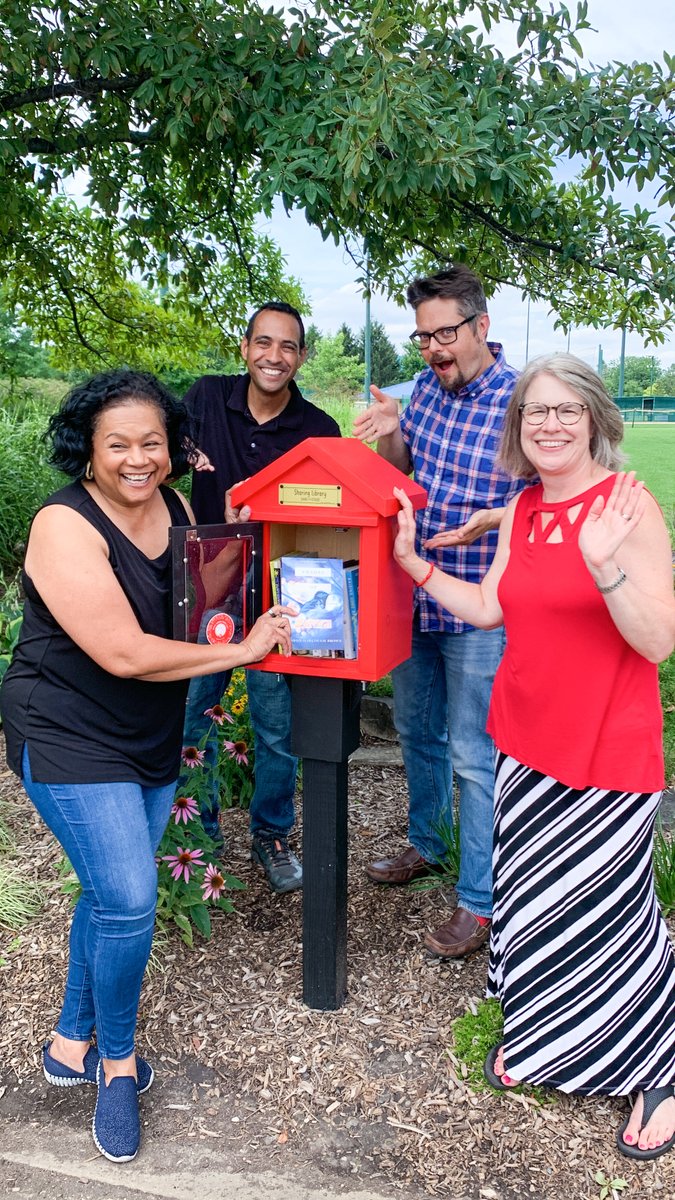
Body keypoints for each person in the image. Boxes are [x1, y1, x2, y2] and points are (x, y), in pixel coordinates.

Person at [0, 370, 292, 1164]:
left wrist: (236, 556)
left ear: (174, 446)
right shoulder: (63, 524)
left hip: (145, 729)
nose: (138, 459)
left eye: (152, 443)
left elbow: (194, 604)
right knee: (129, 897)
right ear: (87, 450)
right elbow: (124, 651)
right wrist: (242, 652)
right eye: (118, 445)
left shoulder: (175, 508)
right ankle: (118, 1064)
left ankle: (70, 1042)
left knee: (108, 889)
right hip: (65, 727)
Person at [392, 353, 675, 1159]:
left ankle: (656, 1069)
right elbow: (489, 607)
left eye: (565, 410)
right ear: (517, 427)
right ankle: (554, 1042)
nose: (549, 424)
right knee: (540, 903)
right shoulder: (520, 507)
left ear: (593, 419)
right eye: (534, 412)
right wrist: (414, 564)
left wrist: (603, 564)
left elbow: (656, 641)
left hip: (603, 749)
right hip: (523, 743)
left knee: (612, 913)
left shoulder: (625, 507)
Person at [353, 266, 525, 958]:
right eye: (422, 337)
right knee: (415, 730)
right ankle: (427, 842)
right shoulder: (424, 389)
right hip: (414, 593)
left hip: (481, 605)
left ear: (481, 326)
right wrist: (391, 432)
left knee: (475, 755)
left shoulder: (523, 401)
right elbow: (401, 468)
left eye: (443, 334)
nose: (431, 349)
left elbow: (556, 492)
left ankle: (479, 902)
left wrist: (494, 518)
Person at [183, 302, 341, 892]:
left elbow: (333, 515)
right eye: (264, 343)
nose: (275, 356)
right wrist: (185, 456)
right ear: (245, 348)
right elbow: (154, 453)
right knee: (194, 716)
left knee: (276, 727)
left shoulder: (319, 429)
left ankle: (272, 834)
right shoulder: (204, 399)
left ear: (303, 357)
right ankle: (197, 838)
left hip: (281, 594)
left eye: (288, 346)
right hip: (209, 590)